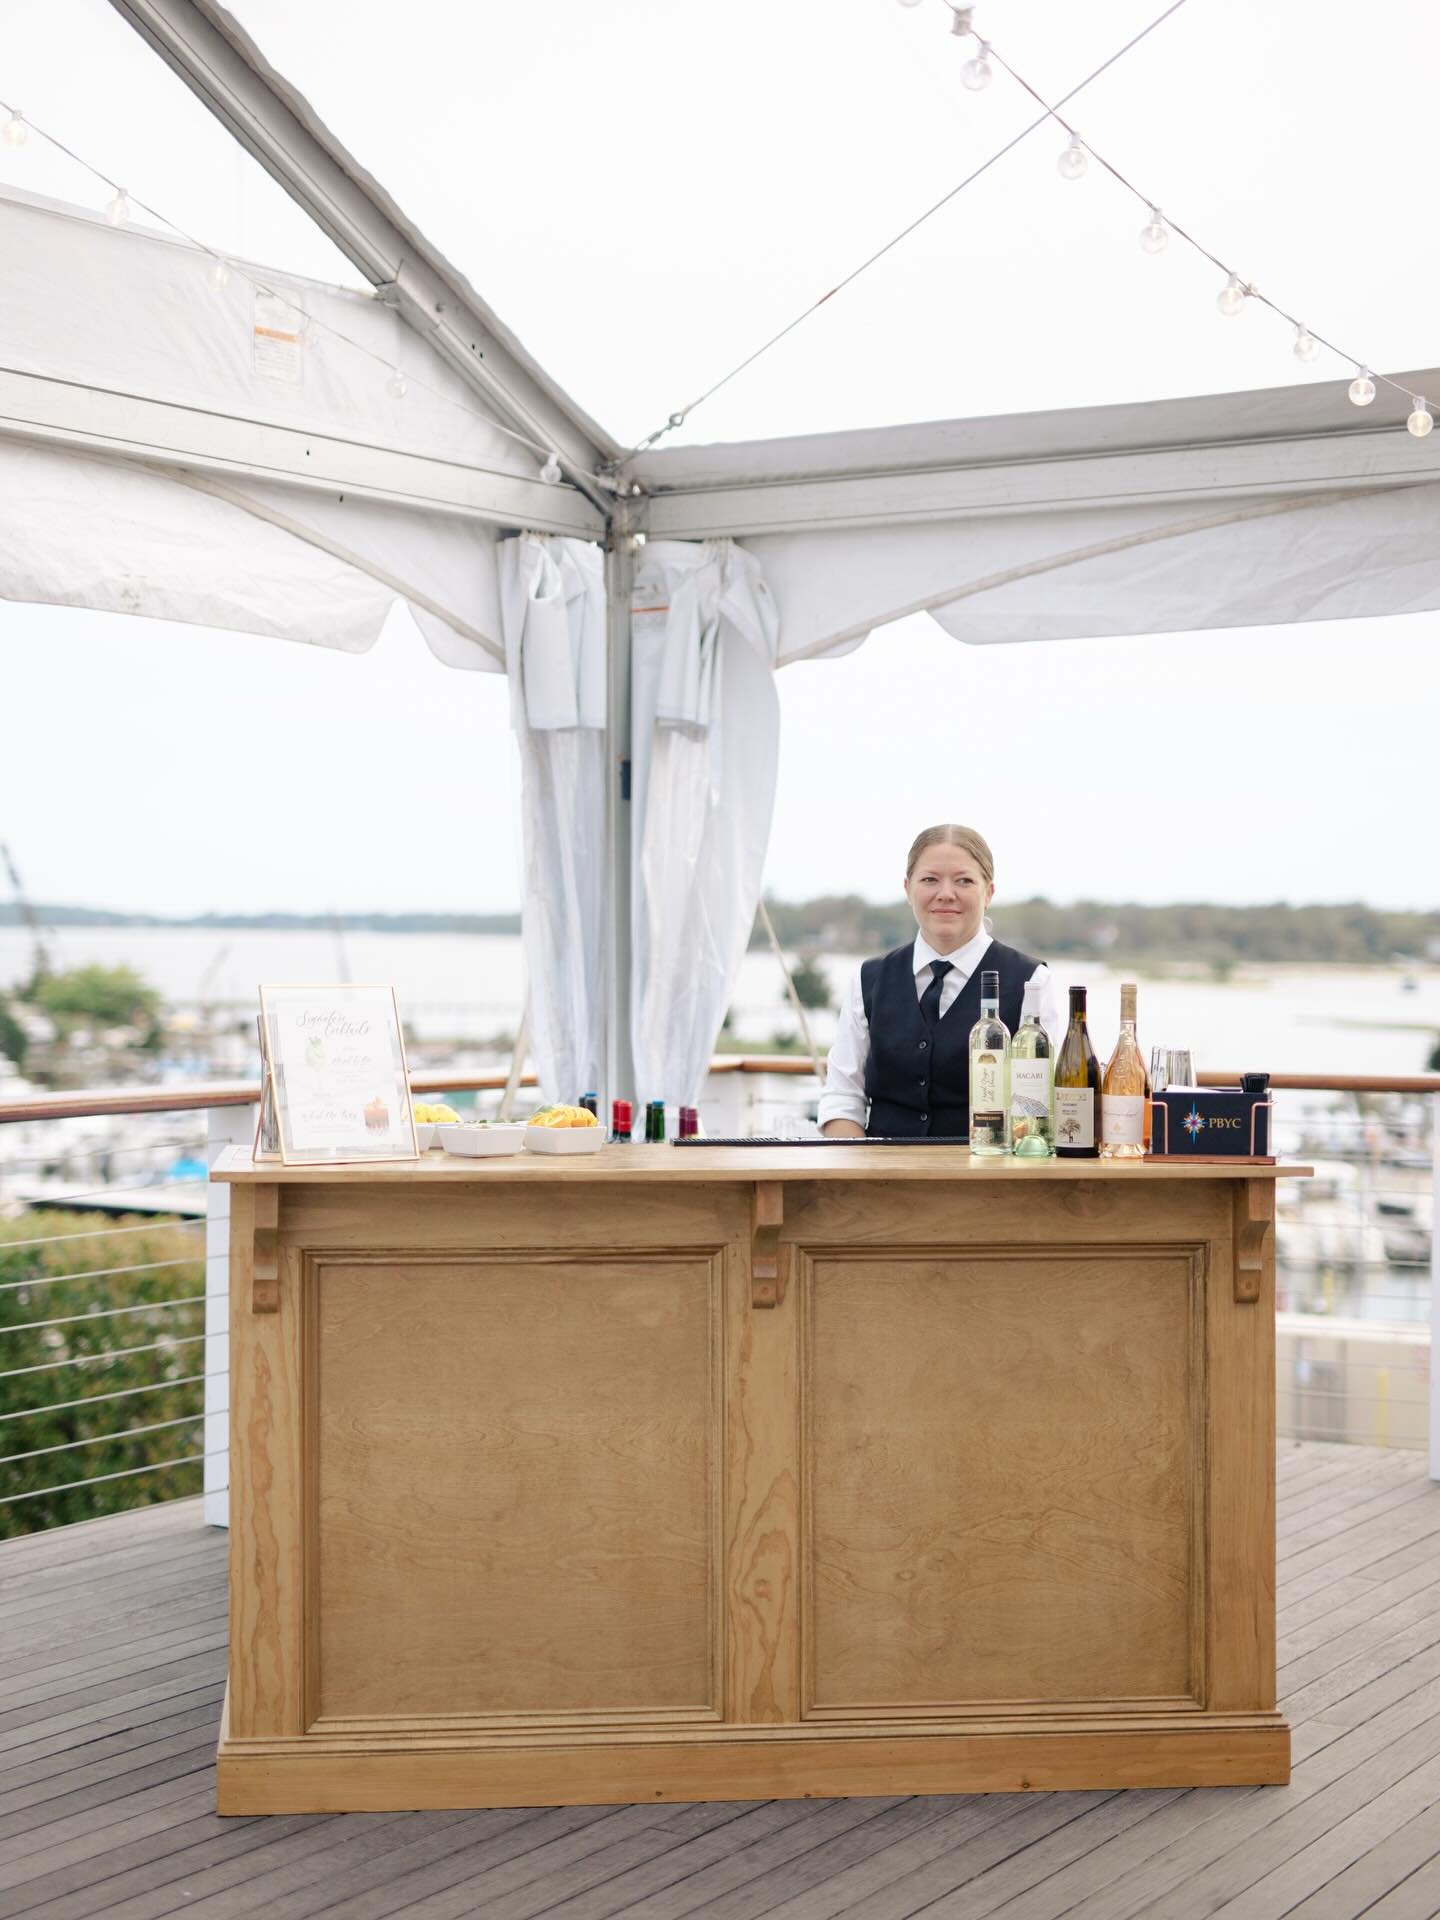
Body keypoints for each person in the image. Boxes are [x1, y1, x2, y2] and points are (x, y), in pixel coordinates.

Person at [819, 824, 1056, 1139]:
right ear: (908, 889)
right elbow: (842, 1096)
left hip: (990, 1180)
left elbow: (1038, 1106)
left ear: (989, 893)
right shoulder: (868, 979)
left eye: (964, 881)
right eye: (930, 879)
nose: (946, 894)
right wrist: (862, 1176)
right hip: (880, 1177)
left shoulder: (1032, 981)